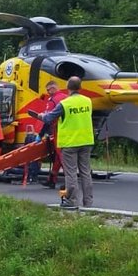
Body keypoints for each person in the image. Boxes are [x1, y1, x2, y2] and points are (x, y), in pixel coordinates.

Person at [36, 76, 94, 208]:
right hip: (86, 140)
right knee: (85, 172)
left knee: (71, 173)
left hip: (70, 142)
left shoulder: (65, 104)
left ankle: (71, 201)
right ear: (80, 87)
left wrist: (40, 116)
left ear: (68, 88)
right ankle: (88, 202)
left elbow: (49, 117)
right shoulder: (88, 101)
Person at [38, 80, 68, 189]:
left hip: (59, 130)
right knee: (59, 157)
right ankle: (52, 178)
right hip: (70, 130)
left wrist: (41, 133)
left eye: (48, 90)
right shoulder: (66, 97)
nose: (48, 92)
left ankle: (68, 182)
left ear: (53, 88)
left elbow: (48, 118)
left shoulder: (53, 100)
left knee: (61, 156)